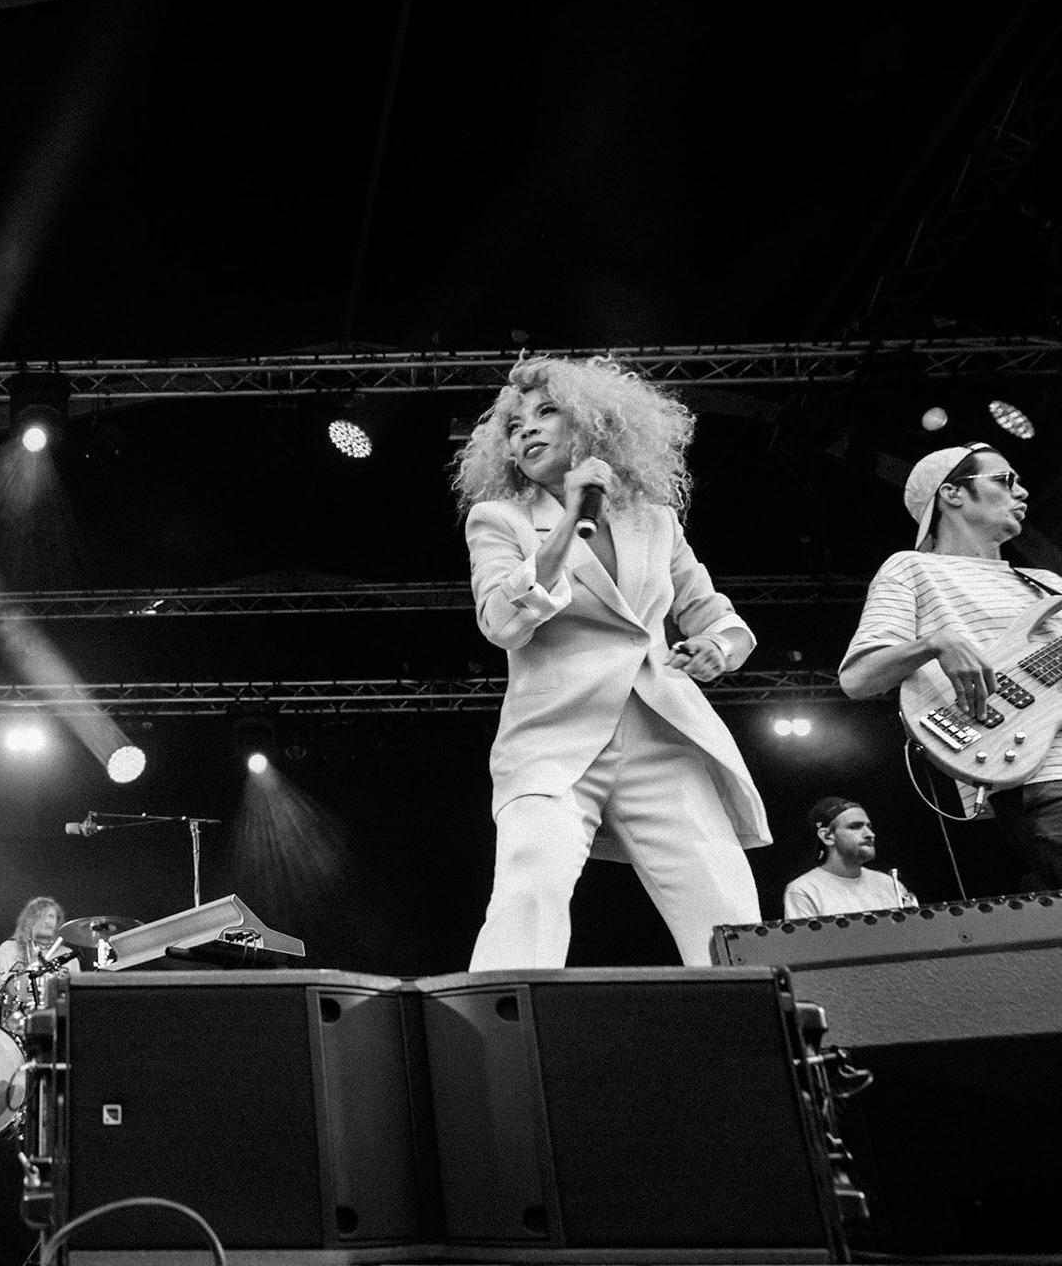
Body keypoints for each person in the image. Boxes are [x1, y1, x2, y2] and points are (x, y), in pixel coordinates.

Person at [452, 354, 769, 969]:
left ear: (594, 425)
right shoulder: (499, 521)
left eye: (547, 412)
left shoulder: (656, 521)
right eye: (514, 426)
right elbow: (500, 622)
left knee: (726, 912)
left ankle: (759, 1023)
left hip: (662, 735)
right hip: (552, 740)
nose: (527, 430)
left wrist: (717, 647)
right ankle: (497, 1025)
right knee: (528, 892)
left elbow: (715, 614)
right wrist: (571, 521)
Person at [839, 442, 1062, 891]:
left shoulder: (1048, 584)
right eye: (1005, 480)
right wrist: (936, 642)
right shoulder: (912, 569)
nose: (1022, 492)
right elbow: (858, 677)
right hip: (1043, 775)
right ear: (952, 493)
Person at [782, 797, 918, 919]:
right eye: (855, 827)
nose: (870, 834)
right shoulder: (804, 890)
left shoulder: (890, 885)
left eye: (869, 827)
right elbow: (806, 940)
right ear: (827, 836)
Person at [0, 896, 79, 1036]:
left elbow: (75, 1000)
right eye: (41, 916)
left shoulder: (68, 956)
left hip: (57, 1029)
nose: (47, 921)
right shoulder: (8, 949)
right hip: (15, 1029)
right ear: (29, 920)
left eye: (51, 916)